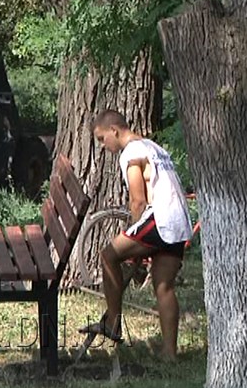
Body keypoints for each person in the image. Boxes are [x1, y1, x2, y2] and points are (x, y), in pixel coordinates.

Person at [81, 109, 192, 360]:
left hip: (160, 218)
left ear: (114, 131)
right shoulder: (153, 147)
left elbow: (138, 200)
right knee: (163, 286)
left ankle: (112, 322)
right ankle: (169, 353)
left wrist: (134, 231)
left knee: (108, 256)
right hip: (179, 220)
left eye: (101, 139)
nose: (102, 146)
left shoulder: (131, 152)